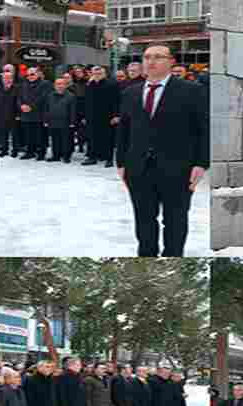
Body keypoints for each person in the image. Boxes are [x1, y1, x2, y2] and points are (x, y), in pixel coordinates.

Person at [116, 45, 210, 257]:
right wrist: (121, 162)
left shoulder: (191, 90)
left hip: (178, 168)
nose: (151, 61)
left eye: (158, 57)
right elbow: (124, 130)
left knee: (175, 221)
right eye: (147, 57)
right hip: (138, 168)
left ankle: (173, 258)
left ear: (171, 61)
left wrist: (201, 163)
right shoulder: (131, 92)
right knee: (143, 219)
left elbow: (204, 129)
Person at [83, 66, 120, 167]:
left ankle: (109, 159)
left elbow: (117, 101)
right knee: (92, 137)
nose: (97, 75)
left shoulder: (112, 84)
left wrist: (116, 115)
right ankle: (92, 157)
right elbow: (86, 101)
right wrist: (85, 116)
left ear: (104, 74)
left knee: (108, 138)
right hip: (92, 116)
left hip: (107, 116)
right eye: (95, 73)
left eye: (99, 74)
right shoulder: (90, 85)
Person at [17, 67, 52, 161]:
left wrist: (31, 106)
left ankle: (41, 153)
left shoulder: (45, 84)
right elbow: (19, 97)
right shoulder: (23, 84)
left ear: (38, 74)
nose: (30, 76)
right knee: (28, 135)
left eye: (32, 74)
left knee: (40, 135)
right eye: (27, 75)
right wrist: (21, 106)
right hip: (26, 114)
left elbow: (43, 97)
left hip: (39, 114)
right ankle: (30, 152)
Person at [42, 77, 77, 163]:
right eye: (58, 84)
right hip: (53, 121)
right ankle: (56, 155)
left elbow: (73, 110)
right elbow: (46, 109)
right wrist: (46, 120)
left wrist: (72, 122)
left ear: (65, 85)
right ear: (54, 85)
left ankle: (66, 156)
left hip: (66, 122)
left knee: (66, 140)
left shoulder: (71, 96)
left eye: (62, 84)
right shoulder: (49, 95)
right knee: (55, 139)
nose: (60, 86)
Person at [0, 71, 20, 157]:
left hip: (14, 114)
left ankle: (15, 151)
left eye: (9, 78)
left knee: (15, 135)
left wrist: (18, 114)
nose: (7, 80)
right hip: (1, 114)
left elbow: (19, 101)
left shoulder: (17, 88)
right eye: (5, 78)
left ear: (12, 79)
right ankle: (4, 150)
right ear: (2, 79)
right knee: (3, 134)